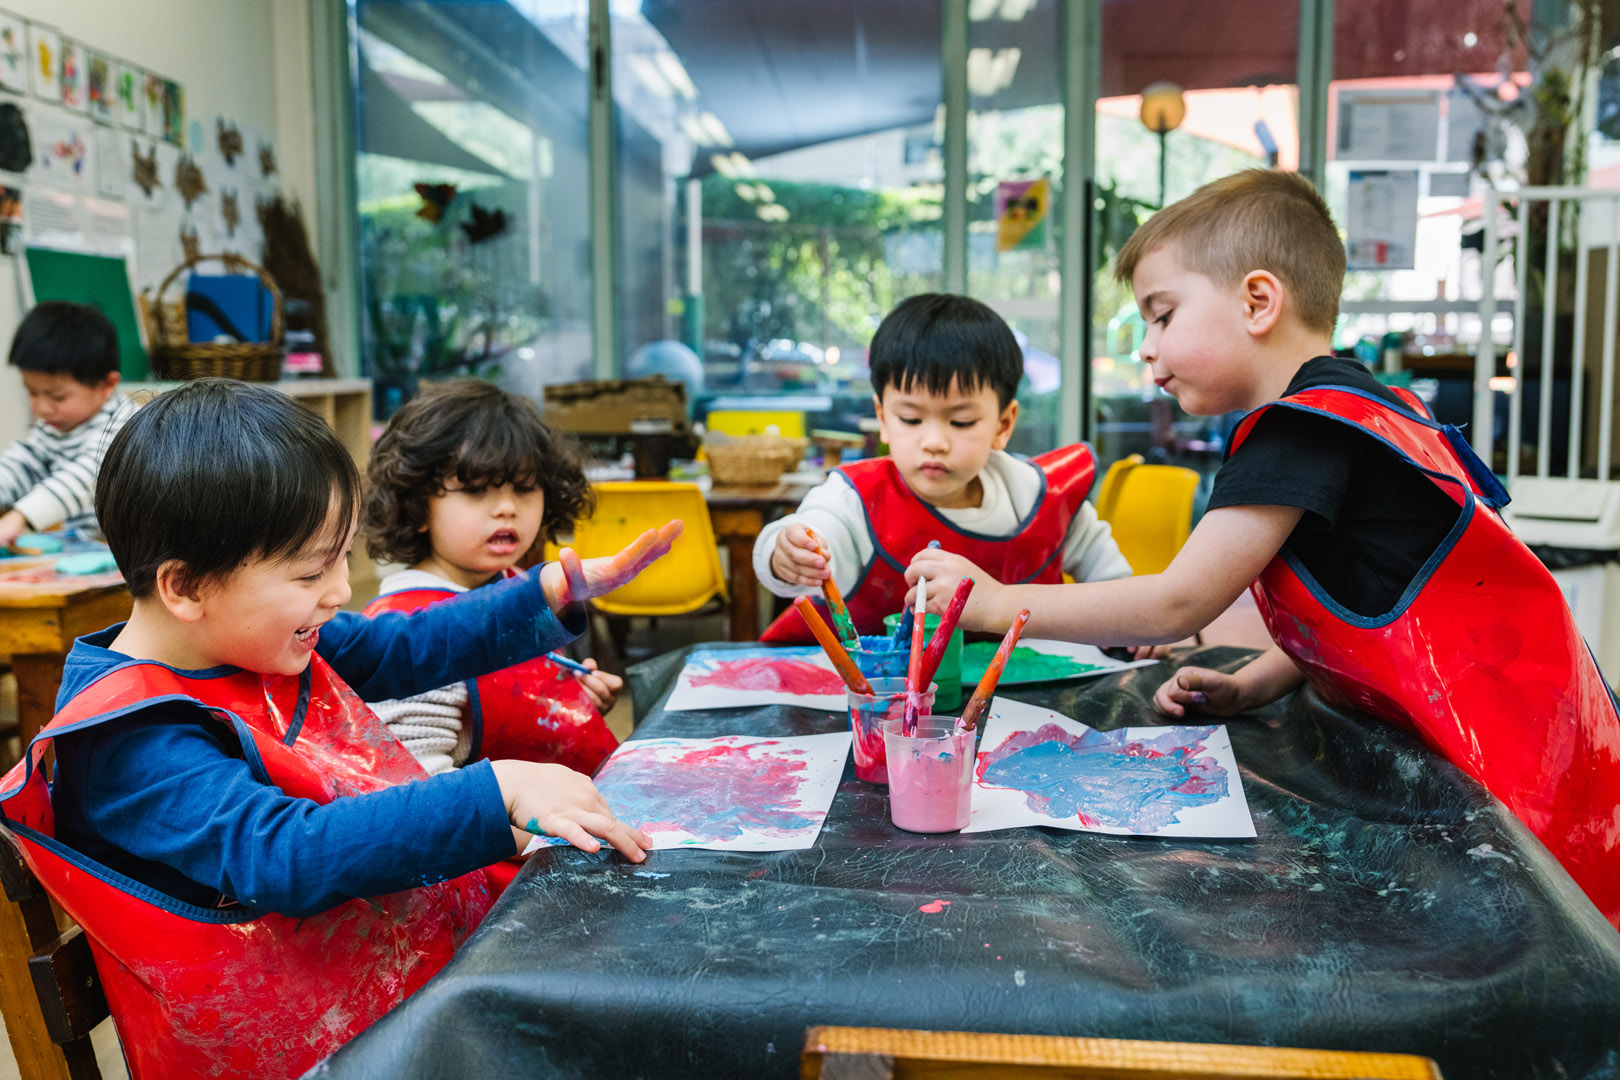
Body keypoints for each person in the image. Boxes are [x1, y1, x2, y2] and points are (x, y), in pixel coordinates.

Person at [907, 169, 1620, 928]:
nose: (1147, 350)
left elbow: (1178, 602)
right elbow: (1375, 600)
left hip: (1512, 763)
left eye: (1162, 314)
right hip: (1514, 735)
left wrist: (991, 601)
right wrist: (1261, 684)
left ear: (1257, 301)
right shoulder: (1363, 408)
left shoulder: (1301, 429)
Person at [0, 379, 681, 1079]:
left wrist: (547, 593)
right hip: (303, 1054)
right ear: (186, 587)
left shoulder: (255, 638)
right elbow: (284, 853)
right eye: (310, 571)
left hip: (391, 1002)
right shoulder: (132, 738)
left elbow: (407, 645)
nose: (337, 593)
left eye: (341, 560)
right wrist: (492, 790)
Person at [755, 292, 1139, 646]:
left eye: (960, 422)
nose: (934, 441)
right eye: (910, 418)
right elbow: (817, 531)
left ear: (1003, 424)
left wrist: (1139, 635)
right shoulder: (854, 498)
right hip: (871, 711)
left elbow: (1117, 594)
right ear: (882, 417)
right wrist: (787, 553)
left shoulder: (1043, 497)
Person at [362, 380, 620, 780]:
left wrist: (570, 702)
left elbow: (517, 703)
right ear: (417, 504)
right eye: (476, 490)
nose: (506, 509)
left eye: (524, 488)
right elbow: (415, 794)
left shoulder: (517, 584)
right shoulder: (406, 634)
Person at [0, 300, 133, 548]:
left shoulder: (125, 426)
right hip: (87, 547)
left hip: (136, 558)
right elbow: (23, 463)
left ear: (107, 385)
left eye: (57, 396)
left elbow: (84, 477)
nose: (41, 407)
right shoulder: (55, 425)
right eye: (32, 392)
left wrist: (20, 518)